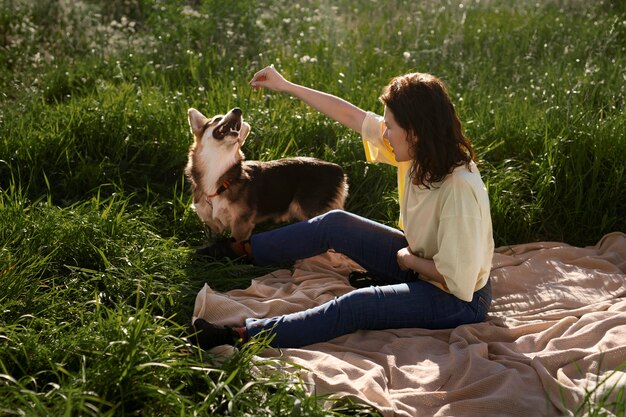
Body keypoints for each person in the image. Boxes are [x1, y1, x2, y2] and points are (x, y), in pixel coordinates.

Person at [189, 65, 494, 350]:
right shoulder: (421, 153)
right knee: (335, 222)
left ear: (414, 132)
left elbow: (460, 282)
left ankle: (241, 335)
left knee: (357, 304)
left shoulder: (459, 188)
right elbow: (351, 115)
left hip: (456, 297)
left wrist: (408, 260)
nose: (383, 134)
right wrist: (286, 85)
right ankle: (238, 249)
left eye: (389, 127)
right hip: (422, 261)